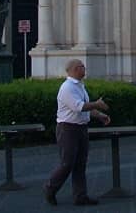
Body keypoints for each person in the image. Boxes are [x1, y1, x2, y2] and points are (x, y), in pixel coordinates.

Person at [44, 59, 110, 206]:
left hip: (81, 128)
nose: (84, 68)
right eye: (81, 67)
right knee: (67, 163)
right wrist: (97, 104)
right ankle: (50, 187)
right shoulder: (67, 87)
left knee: (80, 163)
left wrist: (99, 115)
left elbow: (86, 107)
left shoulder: (79, 86)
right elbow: (78, 106)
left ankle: (80, 196)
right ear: (74, 69)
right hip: (68, 129)